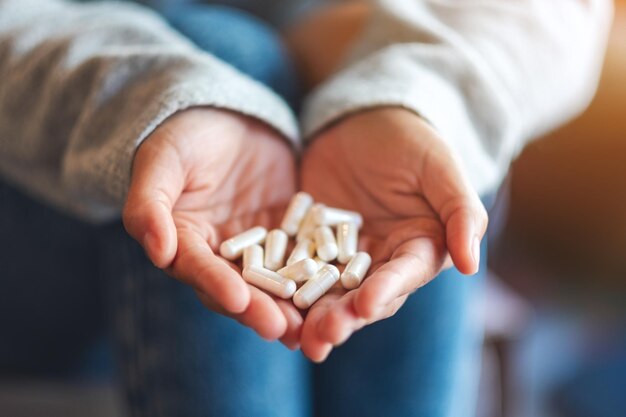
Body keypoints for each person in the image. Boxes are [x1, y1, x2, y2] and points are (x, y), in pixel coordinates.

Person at [0, 0, 612, 416]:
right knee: (229, 50)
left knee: (421, 145)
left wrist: (415, 96)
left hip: (332, 118)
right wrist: (145, 104)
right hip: (48, 188)